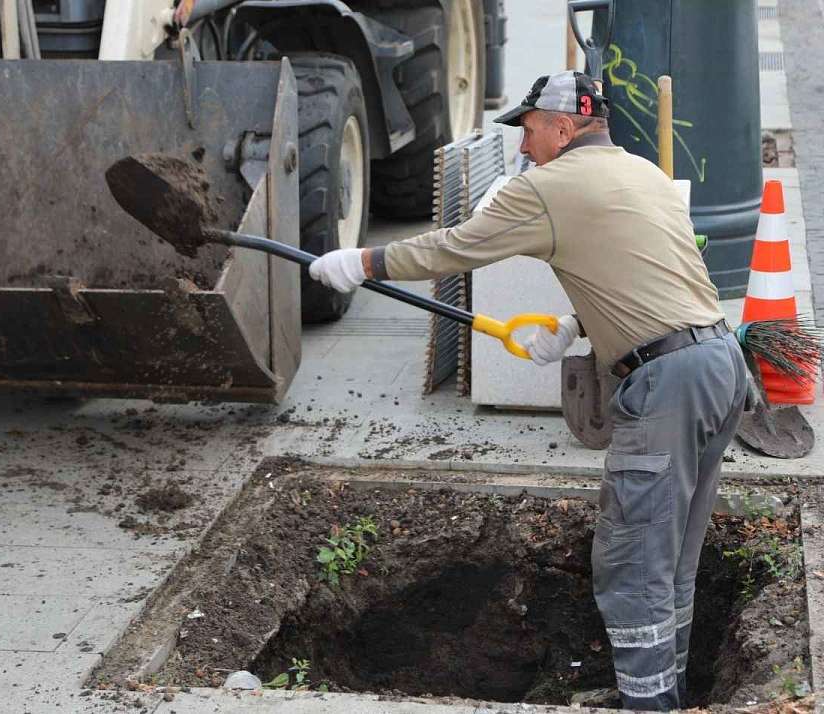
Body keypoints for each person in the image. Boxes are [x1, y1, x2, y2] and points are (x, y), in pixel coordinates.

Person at [308, 70, 748, 712]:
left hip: (668, 387)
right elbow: (658, 269)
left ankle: (648, 707)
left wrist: (362, 263)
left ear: (565, 128)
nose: (521, 147)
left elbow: (456, 248)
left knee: (633, 563)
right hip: (720, 365)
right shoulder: (642, 173)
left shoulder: (546, 188)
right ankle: (661, 691)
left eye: (530, 130)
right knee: (674, 556)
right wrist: (579, 324)